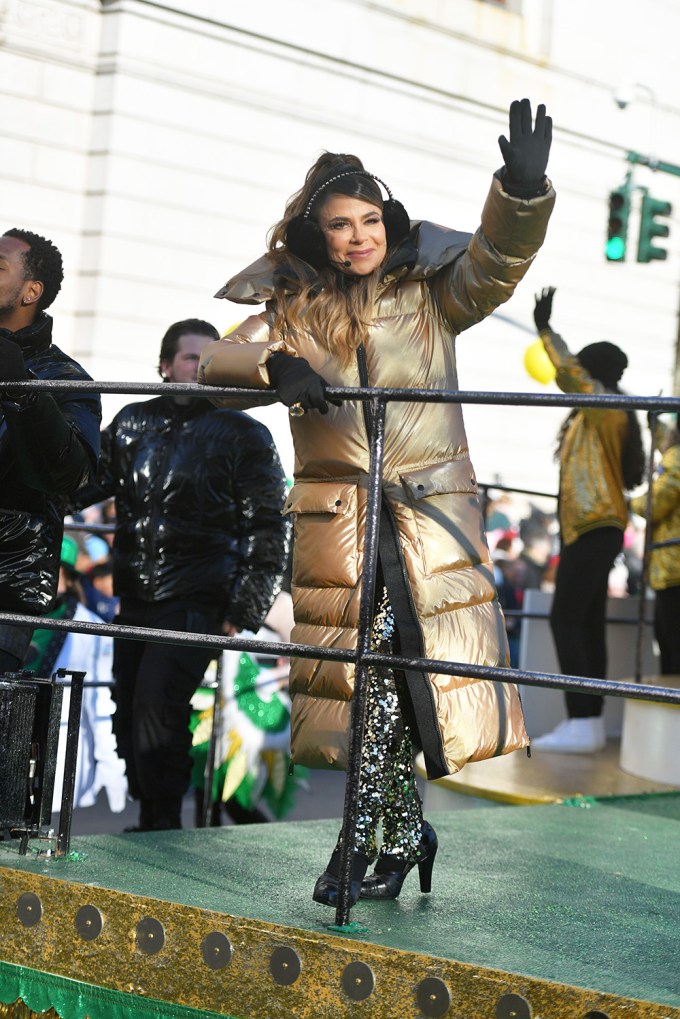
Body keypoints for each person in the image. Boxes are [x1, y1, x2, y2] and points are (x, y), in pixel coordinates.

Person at [198, 98, 555, 906]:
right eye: (339, 225)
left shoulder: (435, 295)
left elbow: (497, 260)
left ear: (387, 223)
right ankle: (401, 833)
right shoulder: (293, 309)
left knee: (388, 683)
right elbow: (215, 366)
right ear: (314, 236)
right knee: (372, 687)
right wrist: (273, 371)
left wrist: (520, 191)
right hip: (343, 531)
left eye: (369, 220)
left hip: (425, 521)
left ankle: (359, 841)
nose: (358, 236)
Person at [74, 318, 289, 832]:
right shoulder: (131, 422)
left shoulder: (244, 433)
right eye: (190, 358)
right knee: (128, 709)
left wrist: (245, 606)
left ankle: (162, 819)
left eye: (207, 358)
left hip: (199, 596)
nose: (198, 368)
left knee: (155, 703)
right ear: (166, 367)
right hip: (136, 594)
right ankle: (155, 813)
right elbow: (82, 484)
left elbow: (267, 525)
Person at [530, 287, 645, 753]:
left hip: (595, 526)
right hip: (593, 527)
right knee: (587, 622)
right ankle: (588, 723)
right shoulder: (601, 412)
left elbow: (569, 373)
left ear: (592, 371)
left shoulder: (603, 406)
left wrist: (546, 330)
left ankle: (581, 720)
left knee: (565, 620)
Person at [0, 228, 101, 671]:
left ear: (31, 292)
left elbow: (68, 476)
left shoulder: (65, 378)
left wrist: (22, 390)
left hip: (5, 591)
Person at [24, 536, 127, 815]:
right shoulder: (12, 619)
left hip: (57, 749)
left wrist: (110, 763)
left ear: (69, 579)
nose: (44, 579)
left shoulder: (91, 628)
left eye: (53, 571)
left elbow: (99, 701)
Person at [630, 415, 680, 675]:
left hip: (674, 569)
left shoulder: (677, 457)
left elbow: (657, 503)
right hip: (673, 568)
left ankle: (674, 710)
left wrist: (632, 502)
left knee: (672, 646)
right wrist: (655, 423)